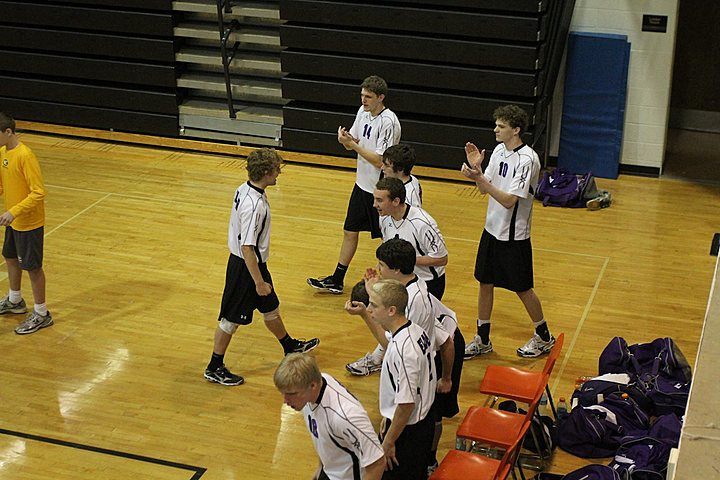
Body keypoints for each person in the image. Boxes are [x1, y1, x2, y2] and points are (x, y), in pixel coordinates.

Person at [204, 148, 319, 386]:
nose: (279, 173)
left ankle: (289, 346)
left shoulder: (244, 188)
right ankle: (214, 366)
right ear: (266, 172)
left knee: (271, 308)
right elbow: (247, 247)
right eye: (277, 169)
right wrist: (258, 281)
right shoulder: (253, 206)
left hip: (254, 264)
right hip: (246, 268)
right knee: (230, 320)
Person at [460, 105, 555, 359]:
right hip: (491, 230)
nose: (495, 130)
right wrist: (477, 173)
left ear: (516, 129)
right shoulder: (500, 151)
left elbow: (509, 200)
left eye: (501, 126)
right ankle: (482, 338)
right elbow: (484, 189)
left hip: (514, 236)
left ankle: (544, 336)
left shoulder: (527, 160)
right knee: (485, 282)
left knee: (523, 288)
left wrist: (480, 179)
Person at [307, 75, 401, 295]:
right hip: (362, 186)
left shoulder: (389, 122)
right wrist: (346, 139)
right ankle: (337, 279)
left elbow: (380, 160)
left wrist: (352, 146)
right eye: (362, 96)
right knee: (350, 231)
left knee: (388, 239)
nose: (363, 101)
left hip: (382, 189)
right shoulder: (363, 113)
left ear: (381, 97)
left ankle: (393, 284)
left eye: (368, 97)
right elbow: (355, 142)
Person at [346, 279, 435, 480]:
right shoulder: (412, 330)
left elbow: (406, 404)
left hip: (409, 431)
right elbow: (388, 341)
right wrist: (388, 418)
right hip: (418, 420)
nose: (369, 309)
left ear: (391, 310)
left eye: (374, 305)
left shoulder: (405, 352)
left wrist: (388, 441)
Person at [274, 353, 385, 480]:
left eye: (291, 394)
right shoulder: (312, 388)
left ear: (313, 386)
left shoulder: (345, 417)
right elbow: (324, 437)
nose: (285, 401)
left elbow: (377, 463)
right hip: (330, 472)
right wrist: (320, 469)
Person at [345, 239, 436, 377]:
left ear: (396, 269)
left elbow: (389, 342)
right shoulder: (414, 284)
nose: (378, 268)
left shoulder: (412, 301)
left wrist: (364, 314)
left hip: (414, 369)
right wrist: (375, 289)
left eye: (381, 265)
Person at [0, 112, 52, 335]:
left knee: (32, 267)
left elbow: (38, 192)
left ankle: (42, 313)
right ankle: (15, 300)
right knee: (10, 258)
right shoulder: (2, 152)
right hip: (13, 221)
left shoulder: (25, 156)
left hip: (28, 222)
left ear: (8, 132)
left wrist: (14, 211)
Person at [374, 177, 448, 300]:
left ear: (396, 201)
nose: (374, 204)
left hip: (427, 283)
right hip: (400, 281)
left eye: (379, 200)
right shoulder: (384, 217)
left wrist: (405, 260)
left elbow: (442, 258)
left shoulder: (422, 223)